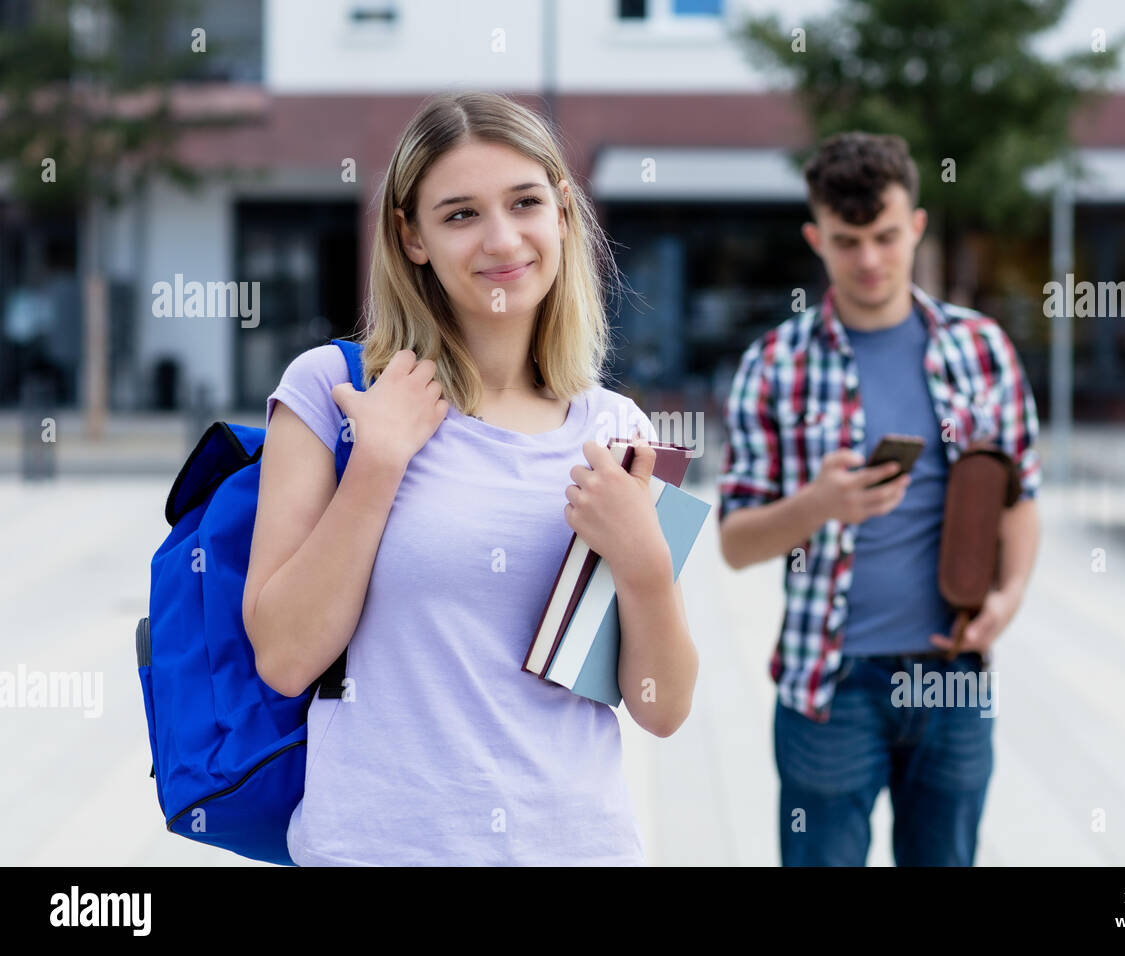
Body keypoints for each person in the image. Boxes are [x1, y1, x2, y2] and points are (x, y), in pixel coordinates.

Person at [244, 92, 699, 866]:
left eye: (525, 202)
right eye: (459, 215)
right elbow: (285, 658)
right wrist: (379, 464)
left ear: (561, 211)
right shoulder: (333, 390)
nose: (501, 238)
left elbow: (662, 711)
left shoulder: (618, 429)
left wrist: (645, 565)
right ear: (410, 236)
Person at [717, 132, 1041, 866]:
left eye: (887, 236)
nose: (869, 259)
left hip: (953, 674)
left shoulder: (982, 348)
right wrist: (816, 505)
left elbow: (1020, 500)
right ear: (815, 238)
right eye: (848, 240)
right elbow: (735, 544)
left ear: (917, 226)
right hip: (831, 685)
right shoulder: (773, 366)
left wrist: (1010, 597)